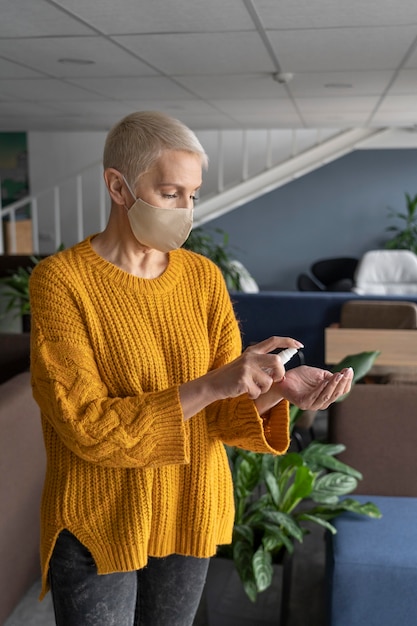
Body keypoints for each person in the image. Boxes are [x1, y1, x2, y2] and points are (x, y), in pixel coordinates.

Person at [29, 111, 353, 626]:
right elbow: (86, 427)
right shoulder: (61, 282)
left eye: (193, 195)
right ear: (118, 186)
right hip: (102, 516)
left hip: (189, 503)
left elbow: (220, 415)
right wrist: (209, 385)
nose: (186, 211)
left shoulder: (202, 277)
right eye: (170, 193)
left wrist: (276, 389)